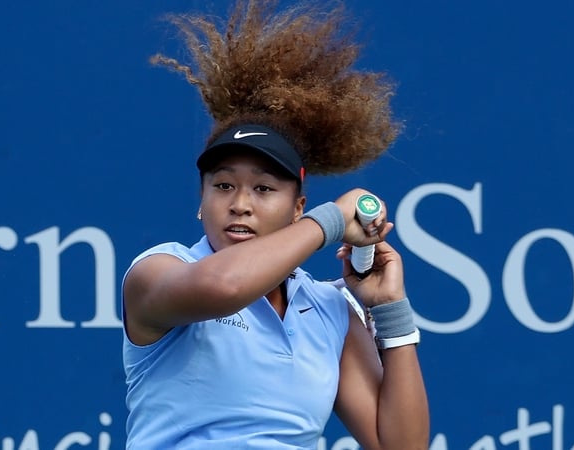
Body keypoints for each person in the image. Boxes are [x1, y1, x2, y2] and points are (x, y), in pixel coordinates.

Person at [121, 1, 429, 448]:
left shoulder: (330, 308)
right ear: (202, 201)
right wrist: (332, 220)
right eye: (223, 186)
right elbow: (225, 286)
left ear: (297, 208)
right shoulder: (157, 272)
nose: (240, 204)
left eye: (263, 189)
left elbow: (400, 446)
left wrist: (390, 310)